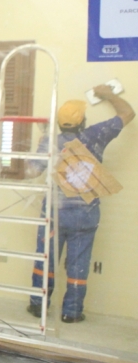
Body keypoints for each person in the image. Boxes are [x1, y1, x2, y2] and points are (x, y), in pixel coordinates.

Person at [28, 85, 133, 323]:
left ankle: (38, 305)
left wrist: (43, 143)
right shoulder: (95, 135)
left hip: (54, 211)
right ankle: (72, 312)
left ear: (59, 123)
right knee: (79, 263)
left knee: (46, 258)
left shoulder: (51, 142)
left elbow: (32, 171)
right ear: (83, 121)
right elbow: (128, 113)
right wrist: (108, 94)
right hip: (85, 213)